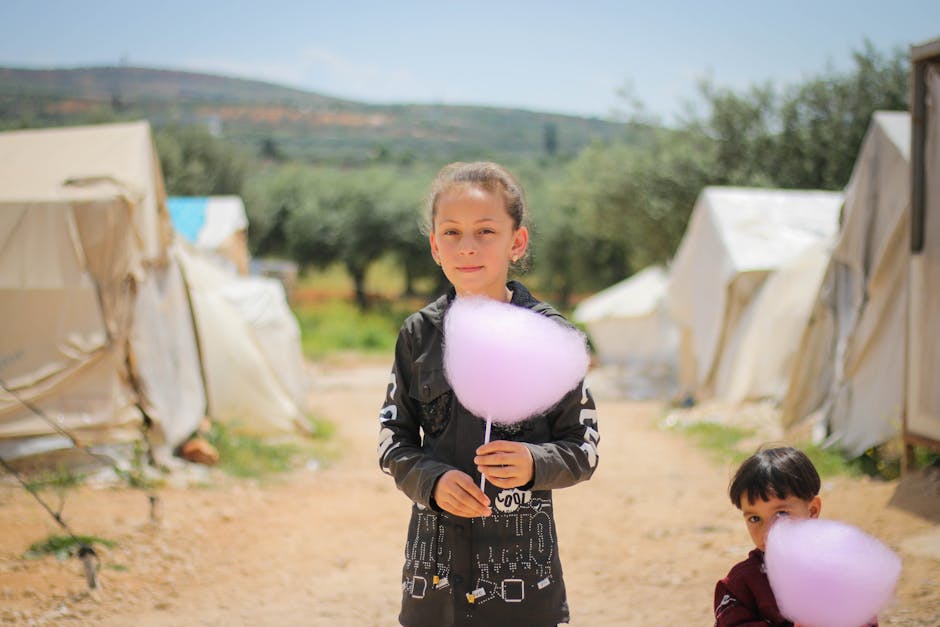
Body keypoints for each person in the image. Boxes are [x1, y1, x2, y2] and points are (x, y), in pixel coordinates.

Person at [377, 161, 600, 626]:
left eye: (485, 231)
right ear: (435, 246)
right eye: (452, 233)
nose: (468, 247)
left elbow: (584, 449)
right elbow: (391, 441)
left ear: (516, 242)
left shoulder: (551, 338)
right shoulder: (419, 334)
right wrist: (431, 480)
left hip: (524, 585)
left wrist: (533, 462)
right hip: (434, 580)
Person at [714, 446, 878, 627]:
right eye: (755, 518)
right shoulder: (741, 583)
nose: (768, 531)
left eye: (782, 514)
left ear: (812, 510)